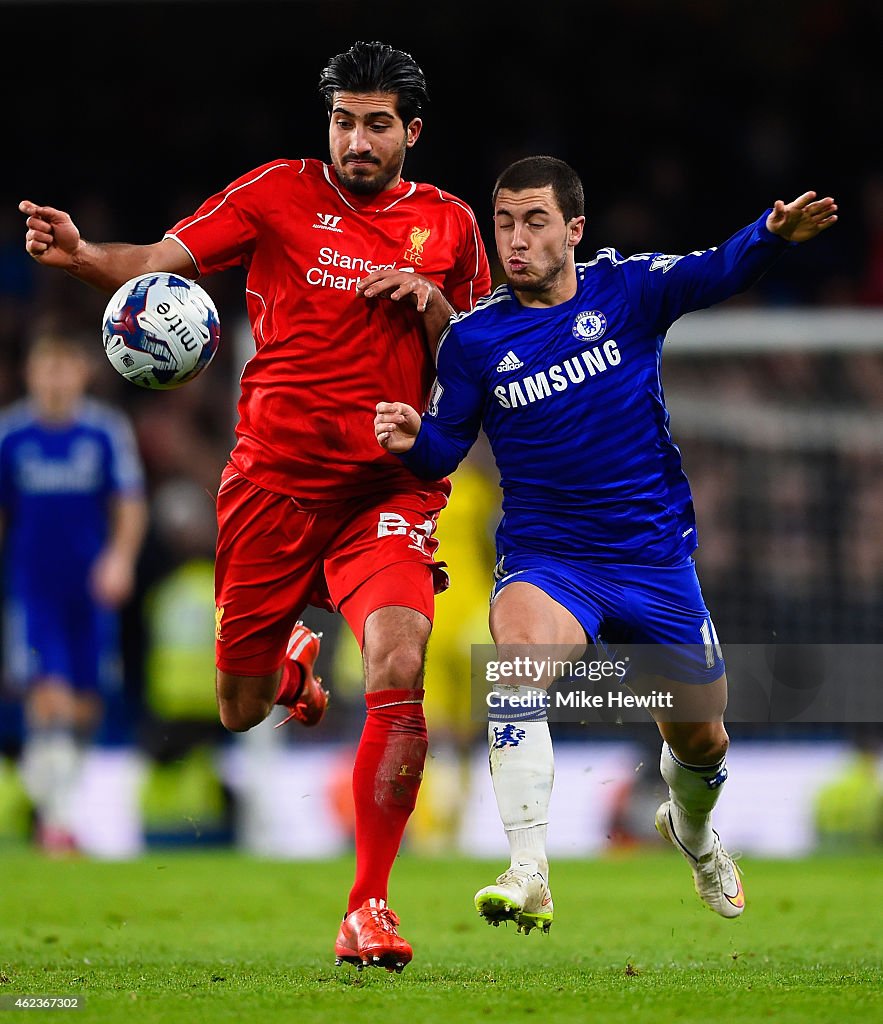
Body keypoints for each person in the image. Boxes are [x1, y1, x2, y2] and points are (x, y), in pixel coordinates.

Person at [19, 42, 491, 970]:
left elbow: (479, 358)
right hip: (272, 486)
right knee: (237, 707)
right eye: (344, 121)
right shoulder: (275, 193)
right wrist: (82, 263)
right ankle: (288, 671)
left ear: (412, 132)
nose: (357, 140)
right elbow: (159, 262)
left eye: (377, 124)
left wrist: (434, 307)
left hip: (386, 489)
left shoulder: (449, 225)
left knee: (400, 660)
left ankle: (368, 907)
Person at [375, 155, 837, 933]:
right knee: (515, 671)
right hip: (549, 562)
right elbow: (444, 449)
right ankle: (528, 872)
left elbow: (717, 270)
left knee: (701, 739)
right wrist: (412, 439)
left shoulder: (628, 289)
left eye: (534, 221)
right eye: (503, 223)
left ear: (574, 229)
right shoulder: (473, 340)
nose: (515, 240)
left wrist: (771, 233)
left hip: (653, 562)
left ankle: (690, 831)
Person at [0, 331, 147, 854]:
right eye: (47, 368)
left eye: (66, 367)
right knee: (50, 695)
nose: (56, 379)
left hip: (90, 589)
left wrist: (120, 559)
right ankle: (56, 823)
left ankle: (54, 801)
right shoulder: (11, 435)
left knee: (85, 706)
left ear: (82, 373)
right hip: (34, 589)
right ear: (31, 374)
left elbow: (128, 503)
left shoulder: (104, 432)